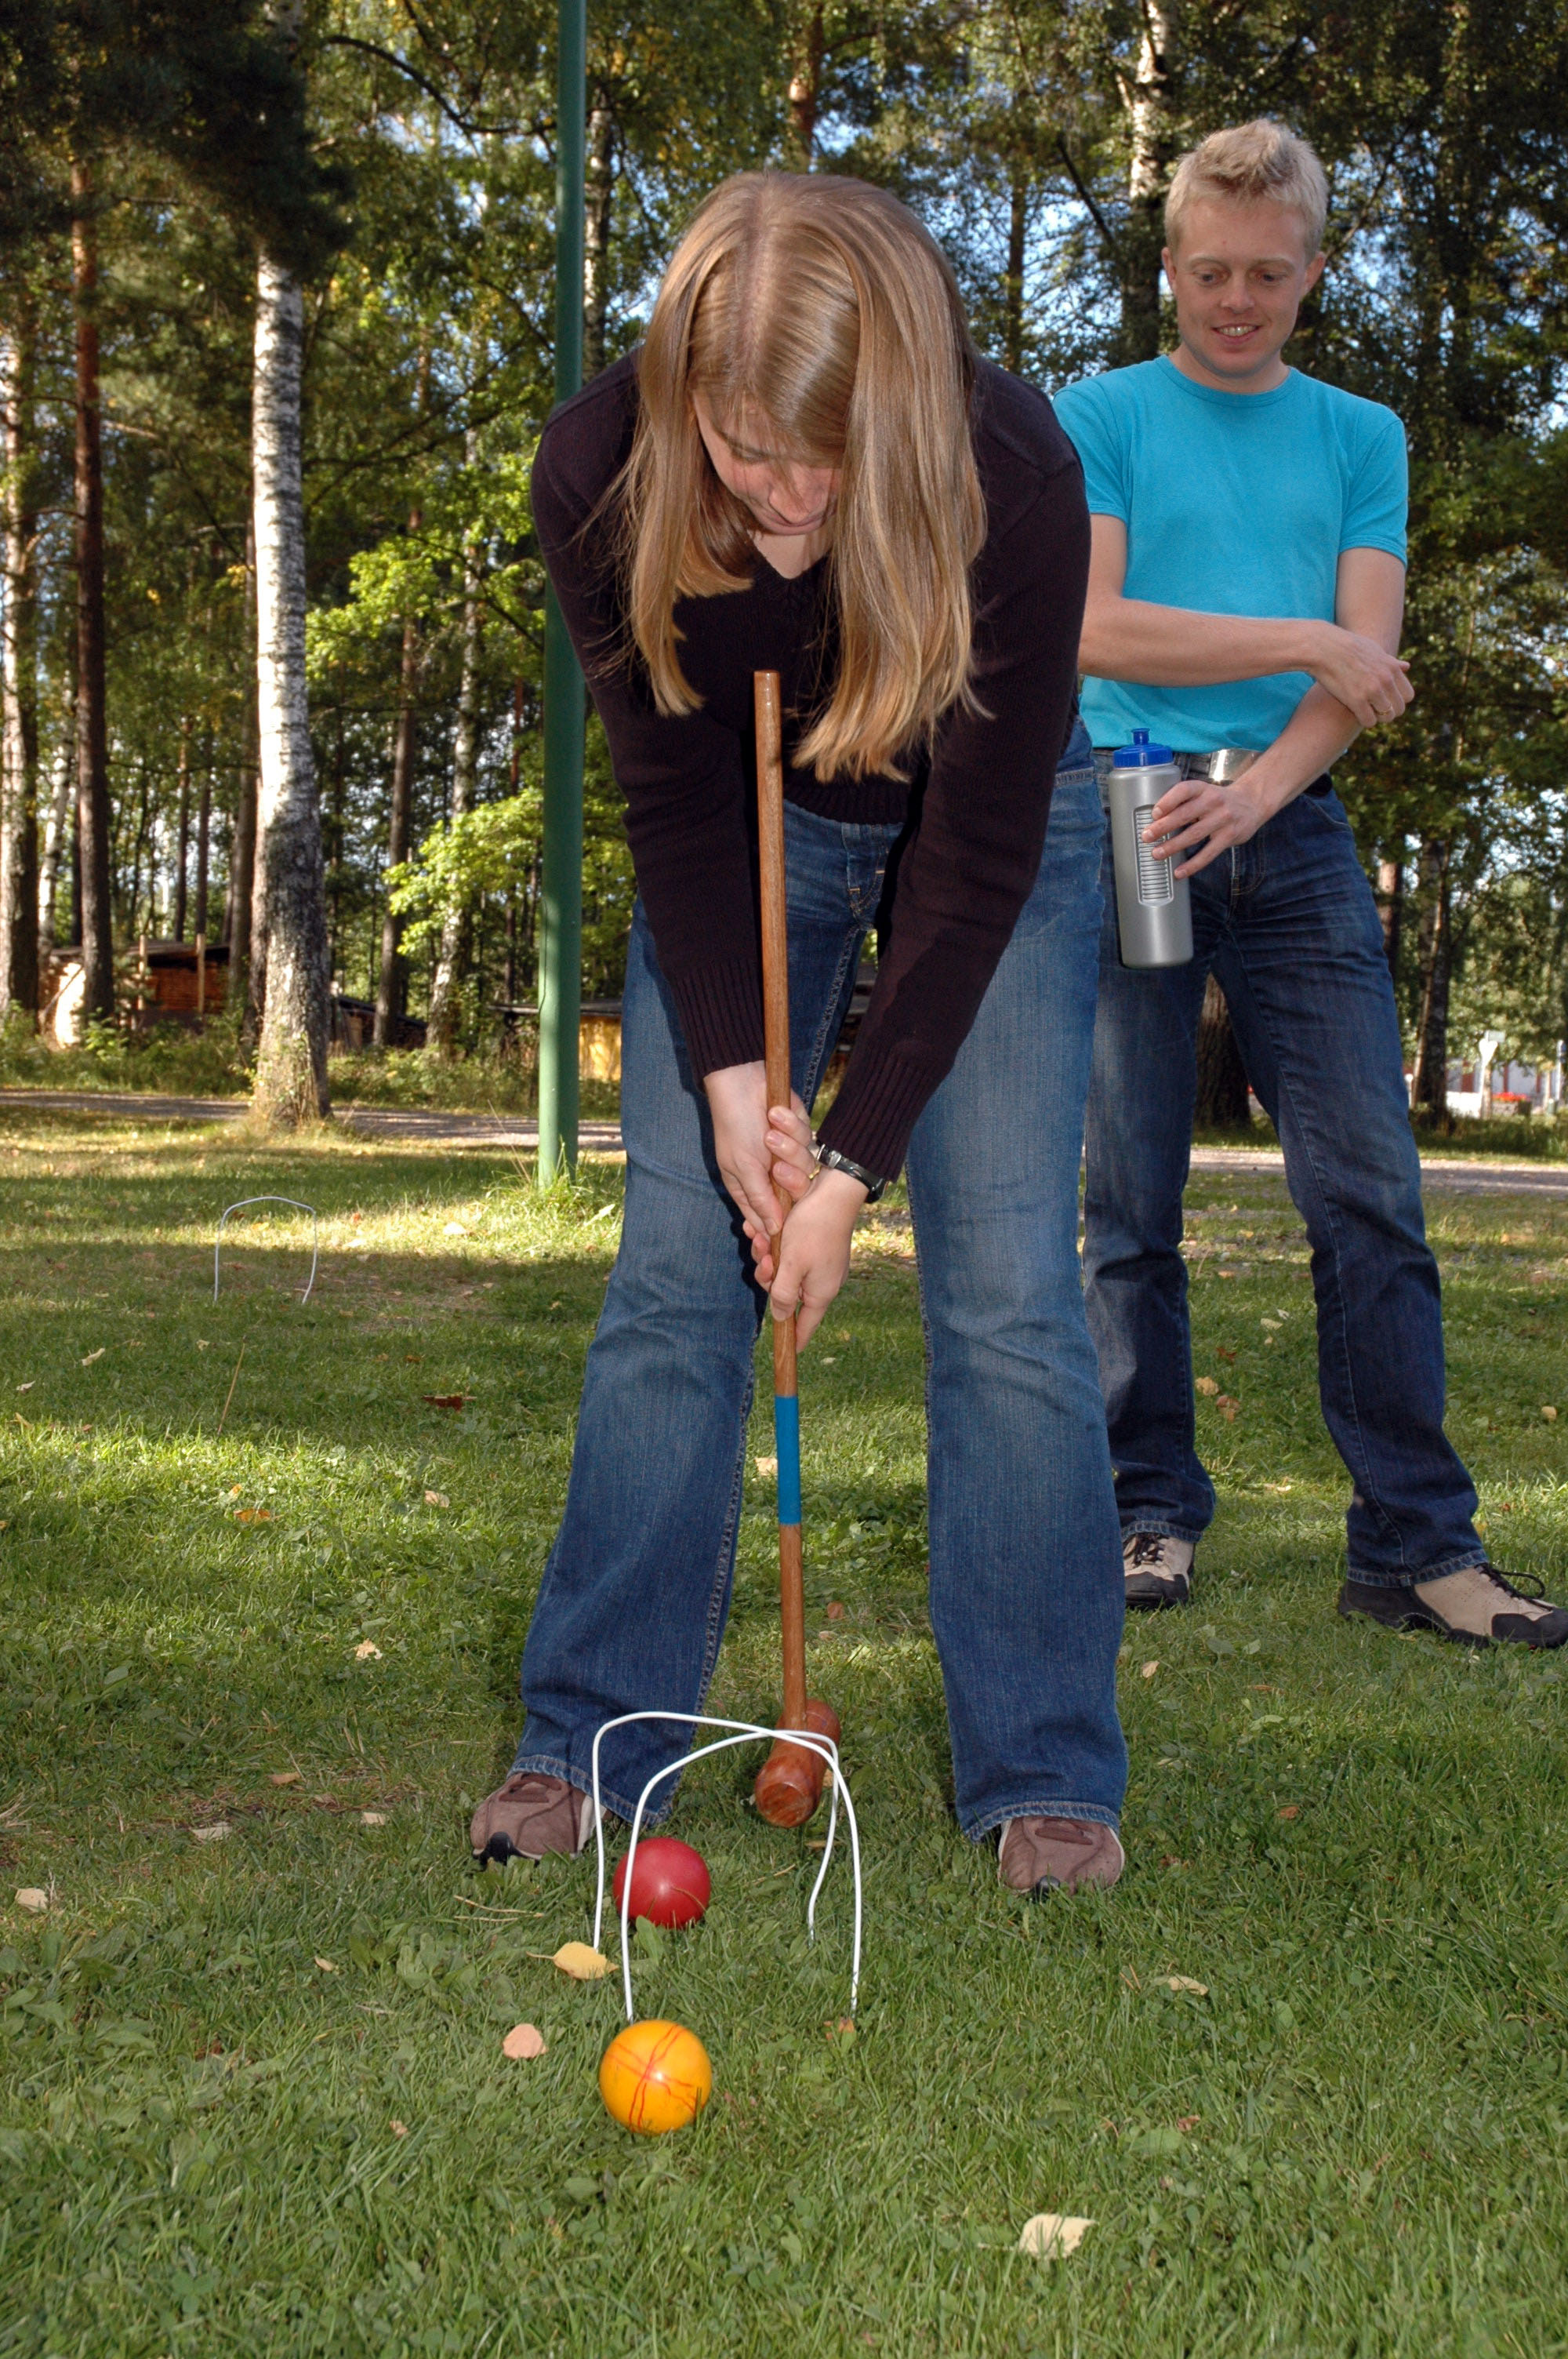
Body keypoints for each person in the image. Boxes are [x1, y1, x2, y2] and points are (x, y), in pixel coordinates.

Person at [469, 170, 1131, 1897]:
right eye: (749, 451)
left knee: (1006, 1292)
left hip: (1000, 842)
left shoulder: (1012, 475)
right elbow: (675, 805)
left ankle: (1046, 1764)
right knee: (675, 1277)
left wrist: (846, 1170)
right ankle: (593, 1738)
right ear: (684, 396)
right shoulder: (599, 469)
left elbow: (972, 868)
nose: (784, 498)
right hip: (748, 835)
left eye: (828, 459)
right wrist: (736, 1090)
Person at [1056, 120, 1567, 1649]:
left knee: (1370, 1196)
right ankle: (1145, 1510)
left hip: (1289, 824)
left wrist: (1262, 793)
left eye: (1267, 275)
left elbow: (1371, 664)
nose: (1236, 300)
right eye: (1210, 272)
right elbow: (1091, 628)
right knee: (1127, 1200)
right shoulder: (1099, 414)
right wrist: (1297, 641)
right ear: (1169, 266)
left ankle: (1416, 1548)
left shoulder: (1360, 435)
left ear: (1313, 272)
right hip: (1128, 802)